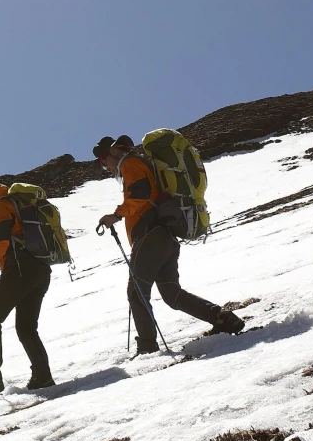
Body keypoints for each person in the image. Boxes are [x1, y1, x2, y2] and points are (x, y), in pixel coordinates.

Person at [94, 135, 244, 355]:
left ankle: (147, 348)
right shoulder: (139, 164)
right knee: (171, 293)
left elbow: (141, 197)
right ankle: (223, 318)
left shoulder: (130, 164)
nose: (105, 167)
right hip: (164, 236)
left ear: (114, 153)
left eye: (103, 161)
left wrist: (116, 215)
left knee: (137, 292)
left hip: (149, 237)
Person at [0, 184, 55, 391]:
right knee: (26, 327)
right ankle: (43, 377)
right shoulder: (17, 204)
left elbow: (2, 241)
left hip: (21, 269)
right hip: (40, 270)